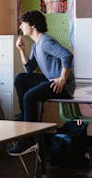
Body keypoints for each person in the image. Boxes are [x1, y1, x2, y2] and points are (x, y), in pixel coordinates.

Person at [8, 10, 76, 155]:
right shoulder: (35, 45)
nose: (20, 27)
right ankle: (25, 114)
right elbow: (29, 69)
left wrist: (62, 79)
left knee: (29, 97)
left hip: (62, 86)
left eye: (23, 23)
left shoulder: (45, 42)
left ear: (32, 25)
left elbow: (67, 55)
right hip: (50, 80)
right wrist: (21, 50)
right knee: (20, 78)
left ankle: (28, 139)